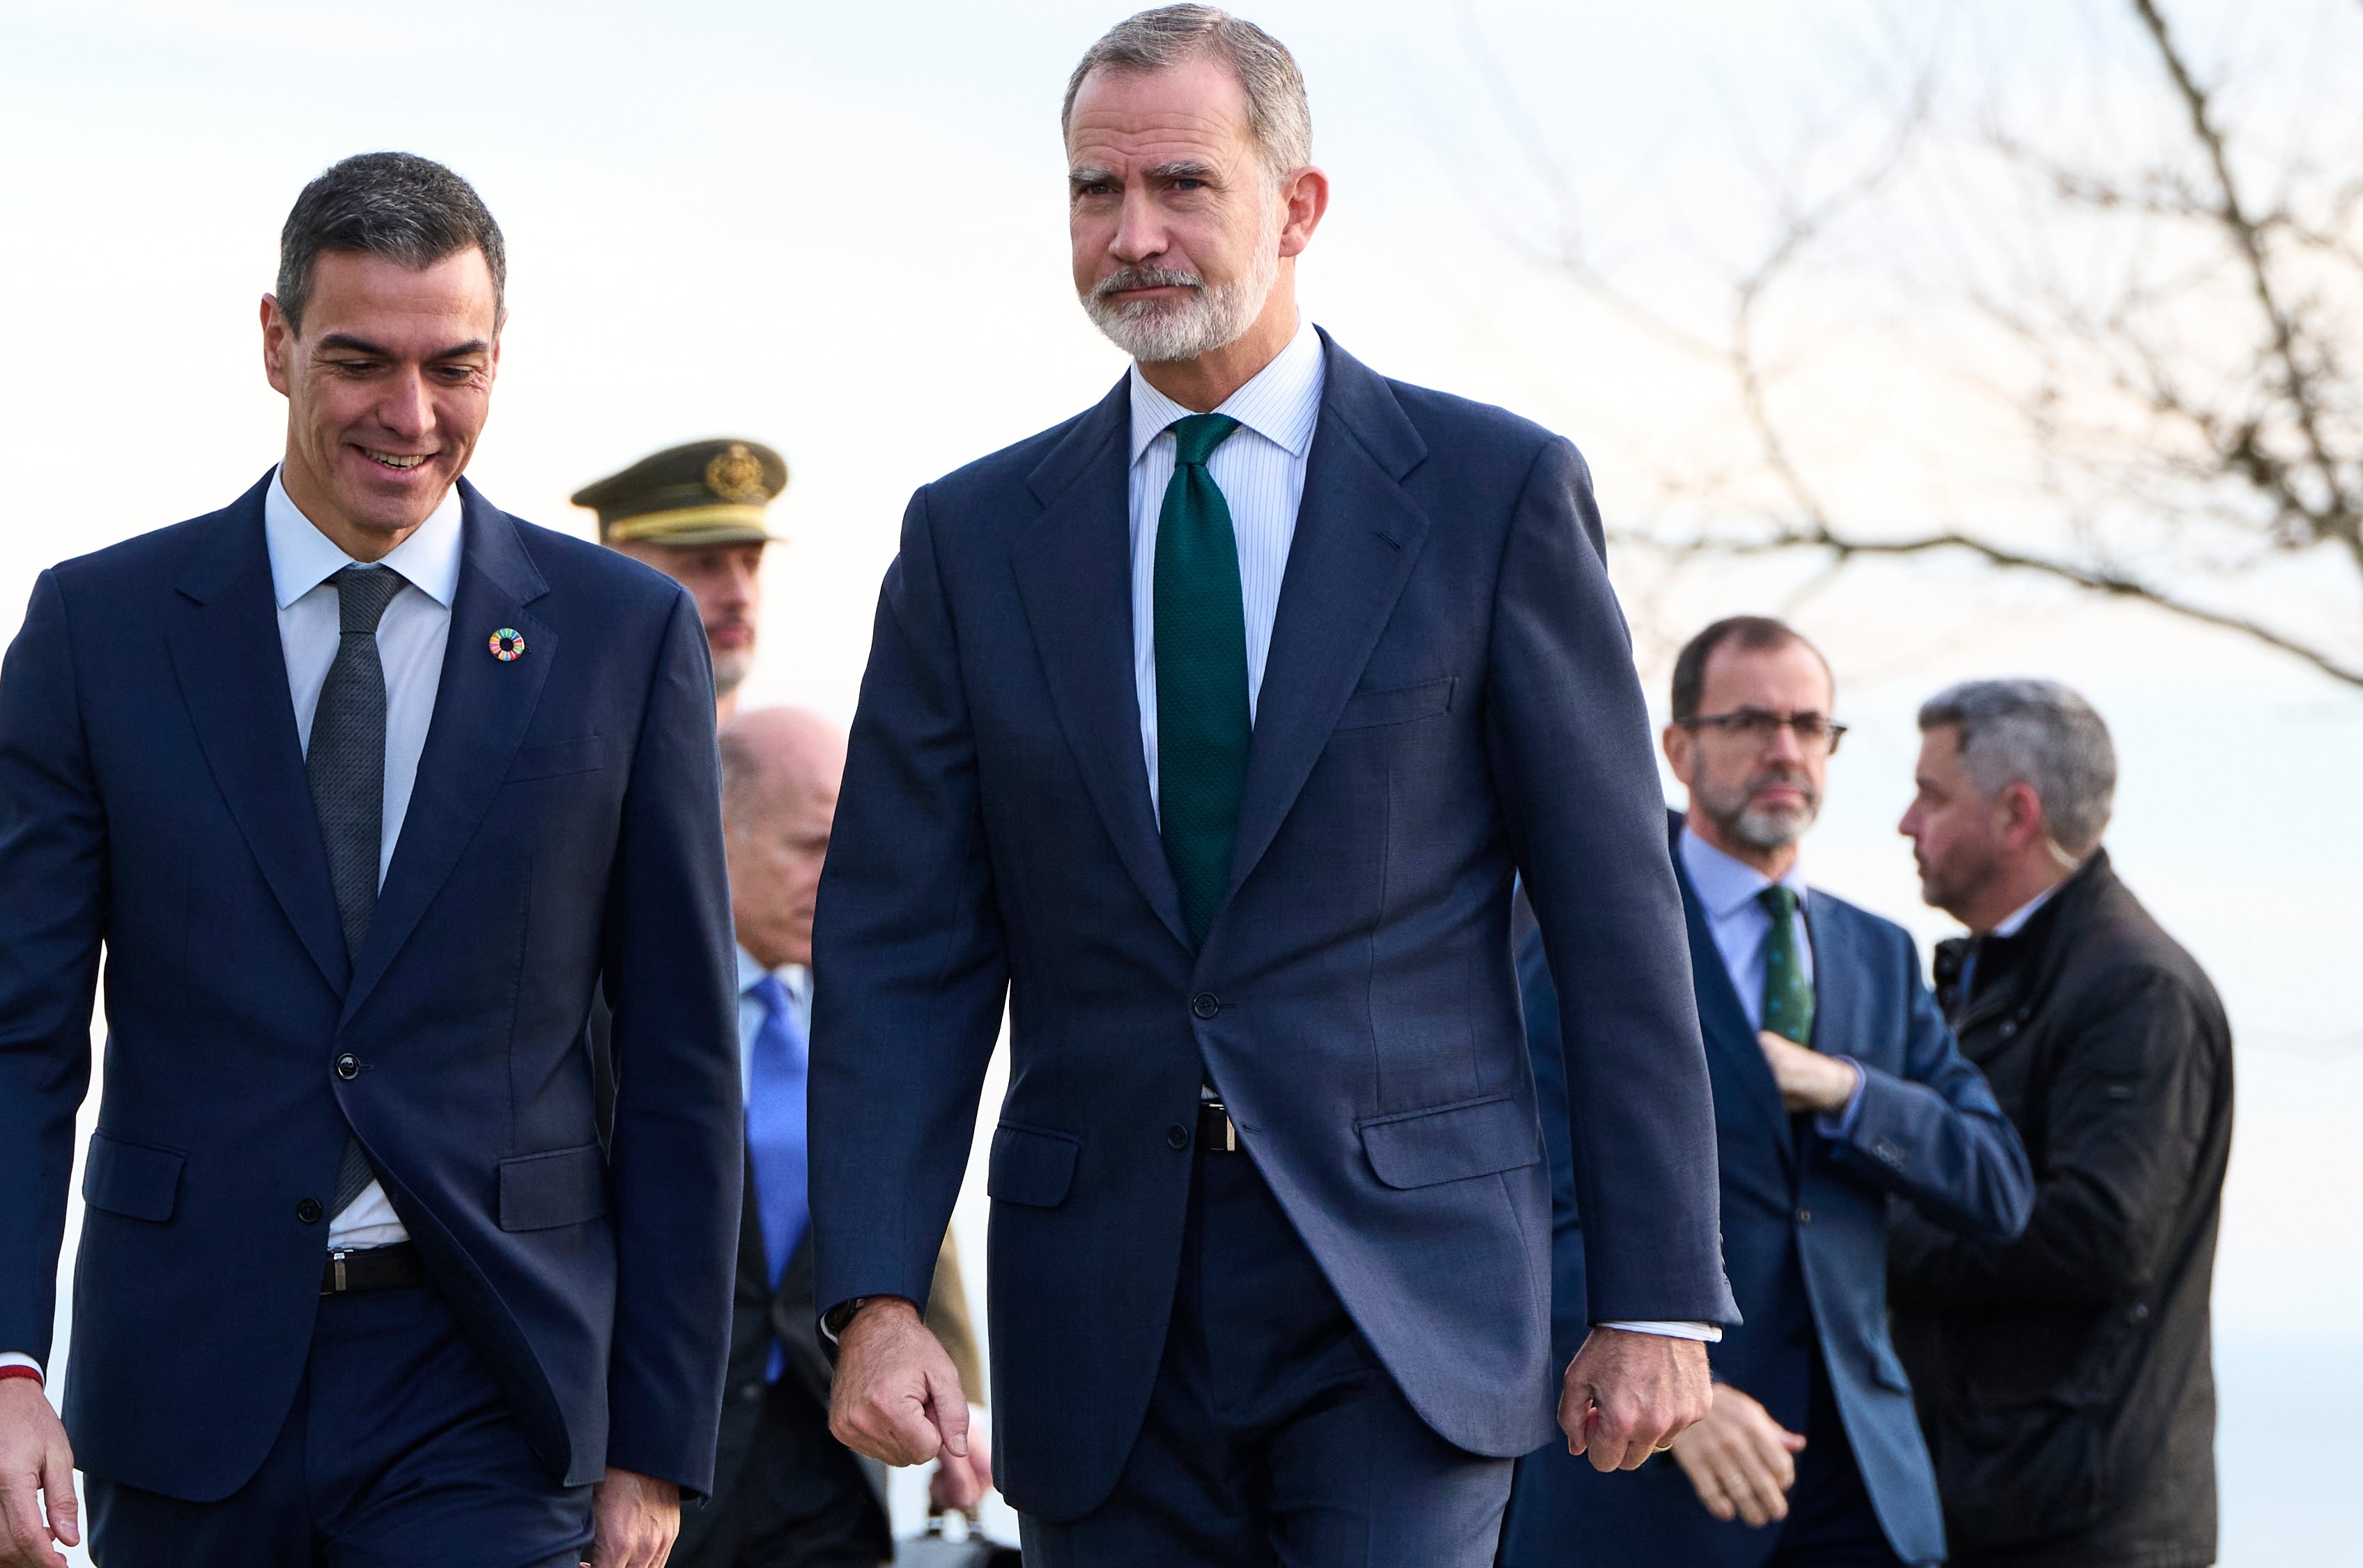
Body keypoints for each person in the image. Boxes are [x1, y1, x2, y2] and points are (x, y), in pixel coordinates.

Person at [806, 10, 1736, 1565]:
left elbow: (1612, 914)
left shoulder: (1492, 496)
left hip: (1403, 1302)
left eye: (1180, 185)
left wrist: (1652, 1293)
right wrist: (880, 1295)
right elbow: (903, 946)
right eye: (1095, 195)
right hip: (1096, 1307)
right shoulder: (970, 543)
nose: (1134, 235)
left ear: (1296, 206)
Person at [0, 152, 745, 1568]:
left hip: (492, 1386)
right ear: (273, 341)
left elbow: (679, 1061)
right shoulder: (101, 632)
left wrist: (656, 1449)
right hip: (184, 1388)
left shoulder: (621, 638)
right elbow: (6, 1038)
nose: (409, 415)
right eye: (360, 361)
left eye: (455, 367)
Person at [1501, 617, 2033, 1568]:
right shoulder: (1576, 925)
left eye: (1809, 724)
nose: (1785, 749)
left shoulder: (1878, 950)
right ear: (1679, 747)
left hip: (1859, 1491)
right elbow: (1519, 1193)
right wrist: (1669, 1393)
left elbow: (1997, 1182)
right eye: (1750, 720)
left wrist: (1845, 1089)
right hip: (1644, 1476)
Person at [1890, 680, 2232, 1568]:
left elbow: (2099, 1233)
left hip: (2078, 1521)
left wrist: (1869, 1237)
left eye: (1931, 795)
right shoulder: (1988, 977)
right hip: (1990, 1496)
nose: (1904, 822)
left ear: (2015, 816)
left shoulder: (2135, 990)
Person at [668, 709, 993, 1568]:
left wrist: (961, 1414)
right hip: (665, 1468)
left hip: (822, 1462)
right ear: (713, 832)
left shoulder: (861, 1007)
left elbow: (914, 1205)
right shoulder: (626, 1004)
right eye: (811, 848)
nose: (840, 877)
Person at [576, 440, 777, 725]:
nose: (741, 595)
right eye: (704, 564)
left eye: (751, 563)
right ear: (616, 569)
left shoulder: (788, 759)